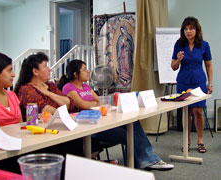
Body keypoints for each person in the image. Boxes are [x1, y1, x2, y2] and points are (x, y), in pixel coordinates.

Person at [58, 59, 174, 170]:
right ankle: (143, 162)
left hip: (100, 119)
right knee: (127, 133)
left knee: (134, 123)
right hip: (88, 126)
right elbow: (83, 105)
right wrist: (93, 103)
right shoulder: (68, 88)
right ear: (75, 74)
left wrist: (92, 104)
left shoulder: (86, 87)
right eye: (84, 69)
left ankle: (145, 160)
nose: (88, 71)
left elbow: (100, 101)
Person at [14, 52, 83, 171]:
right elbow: (49, 111)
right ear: (35, 72)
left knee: (79, 141)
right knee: (74, 145)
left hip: (57, 131)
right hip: (39, 138)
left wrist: (48, 94)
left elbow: (70, 104)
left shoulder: (50, 86)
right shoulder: (26, 90)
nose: (49, 69)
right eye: (45, 66)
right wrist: (60, 104)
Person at [171, 16, 213, 153]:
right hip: (183, 81)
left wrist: (210, 83)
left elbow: (208, 65)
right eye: (186, 29)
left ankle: (200, 141)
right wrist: (178, 59)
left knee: (198, 111)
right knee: (186, 111)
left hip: (199, 82)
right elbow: (173, 66)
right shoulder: (179, 45)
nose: (188, 31)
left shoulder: (204, 45)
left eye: (191, 28)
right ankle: (186, 141)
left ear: (196, 30)